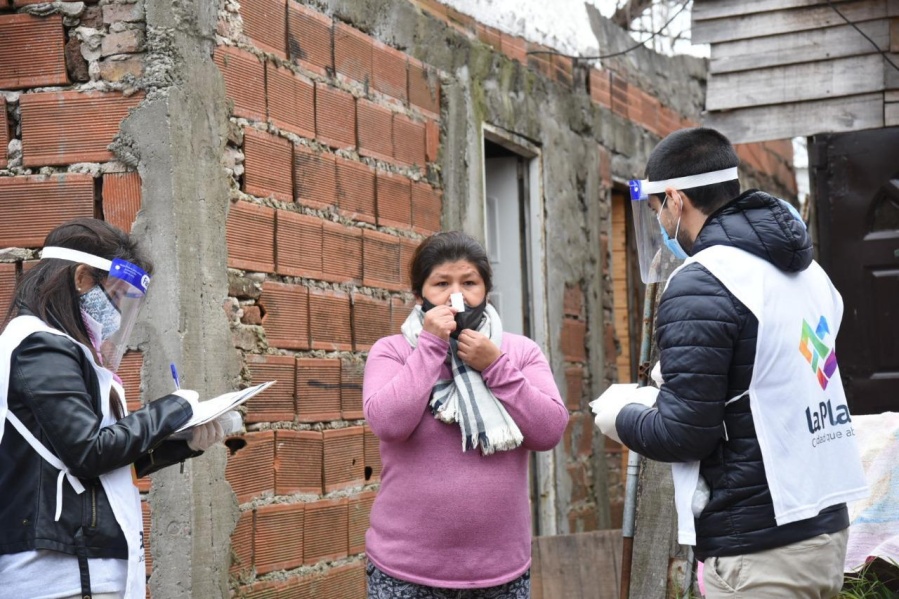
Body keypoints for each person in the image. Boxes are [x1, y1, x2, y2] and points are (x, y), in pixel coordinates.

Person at [593, 127, 867, 598]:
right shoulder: (808, 272)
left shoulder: (703, 281)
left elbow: (685, 433)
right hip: (822, 527)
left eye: (657, 208)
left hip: (760, 546)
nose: (659, 222)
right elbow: (765, 381)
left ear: (676, 200)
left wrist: (618, 415)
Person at [0, 218, 225, 599]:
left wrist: (183, 444)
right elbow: (88, 453)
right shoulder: (41, 346)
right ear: (82, 279)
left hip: (81, 566)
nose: (119, 312)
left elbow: (96, 466)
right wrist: (176, 407)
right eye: (117, 295)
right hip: (60, 573)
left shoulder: (59, 348)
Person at [363, 231, 569, 598]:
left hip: (500, 571)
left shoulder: (518, 352)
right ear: (419, 295)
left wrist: (496, 367)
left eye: (469, 283)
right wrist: (429, 348)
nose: (456, 296)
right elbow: (388, 424)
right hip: (407, 571)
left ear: (486, 291)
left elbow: (549, 430)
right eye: (441, 284)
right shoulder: (392, 352)